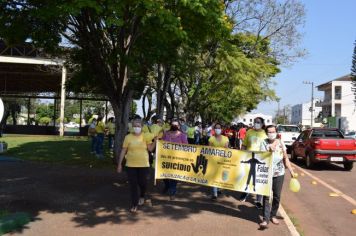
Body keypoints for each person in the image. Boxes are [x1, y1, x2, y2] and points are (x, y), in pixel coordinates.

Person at [259, 125, 296, 229]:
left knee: (277, 196)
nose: (271, 133)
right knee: (266, 196)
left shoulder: (281, 143)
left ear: (276, 132)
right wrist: (272, 147)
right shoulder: (263, 143)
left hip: (279, 173)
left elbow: (285, 158)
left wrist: (291, 170)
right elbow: (263, 156)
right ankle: (265, 219)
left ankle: (273, 215)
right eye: (269, 132)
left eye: (273, 131)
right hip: (267, 173)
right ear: (266, 133)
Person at [117, 118, 157, 213]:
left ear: (142, 127)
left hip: (144, 164)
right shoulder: (128, 137)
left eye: (138, 126)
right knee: (133, 185)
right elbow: (124, 150)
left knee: (143, 183)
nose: (136, 127)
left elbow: (150, 149)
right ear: (132, 126)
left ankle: (142, 195)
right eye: (134, 126)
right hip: (130, 165)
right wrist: (119, 164)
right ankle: (134, 204)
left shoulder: (145, 136)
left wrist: (155, 141)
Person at [239, 117, 267, 209]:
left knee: (258, 179)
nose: (256, 123)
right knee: (246, 177)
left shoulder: (265, 134)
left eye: (258, 122)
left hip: (261, 159)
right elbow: (244, 145)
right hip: (249, 157)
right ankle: (244, 194)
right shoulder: (249, 132)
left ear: (262, 124)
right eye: (255, 122)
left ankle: (258, 201)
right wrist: (241, 154)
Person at [161, 119, 188, 200]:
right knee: (164, 175)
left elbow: (186, 146)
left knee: (174, 176)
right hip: (166, 158)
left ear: (179, 126)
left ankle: (172, 191)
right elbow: (161, 144)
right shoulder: (166, 134)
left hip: (177, 160)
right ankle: (167, 186)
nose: (174, 126)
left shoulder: (182, 135)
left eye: (176, 125)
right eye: (173, 124)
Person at [208, 123, 229, 200]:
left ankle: (218, 189)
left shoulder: (225, 138)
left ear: (221, 129)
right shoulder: (211, 139)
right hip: (213, 161)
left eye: (219, 128)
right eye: (216, 128)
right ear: (214, 129)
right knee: (214, 176)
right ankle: (214, 194)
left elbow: (226, 149)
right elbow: (209, 150)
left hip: (222, 161)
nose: (218, 129)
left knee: (221, 176)